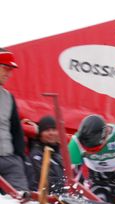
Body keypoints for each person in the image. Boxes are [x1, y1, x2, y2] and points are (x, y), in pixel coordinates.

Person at [68, 114, 115, 204]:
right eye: (89, 149)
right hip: (96, 177)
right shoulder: (76, 142)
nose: (93, 151)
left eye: (96, 148)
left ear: (105, 134)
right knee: (98, 200)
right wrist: (74, 193)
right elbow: (72, 174)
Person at [0, 48, 29, 191]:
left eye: (11, 70)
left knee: (23, 202)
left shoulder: (8, 97)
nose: (9, 74)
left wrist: (21, 157)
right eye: (6, 68)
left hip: (10, 159)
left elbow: (16, 130)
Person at [29, 116, 65, 194]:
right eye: (47, 130)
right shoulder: (36, 155)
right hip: (45, 201)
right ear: (40, 134)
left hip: (64, 199)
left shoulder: (60, 154)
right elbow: (46, 181)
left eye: (54, 130)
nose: (51, 133)